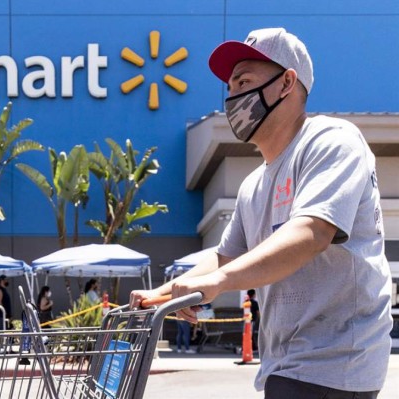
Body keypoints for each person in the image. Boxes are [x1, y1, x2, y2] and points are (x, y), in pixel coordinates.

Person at [130, 27, 392, 398]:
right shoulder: (254, 184)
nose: (233, 96)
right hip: (286, 364)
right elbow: (225, 258)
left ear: (287, 82)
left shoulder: (331, 141)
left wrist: (217, 284)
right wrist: (164, 293)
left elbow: (311, 234)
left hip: (335, 362)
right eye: (230, 87)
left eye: (244, 81)